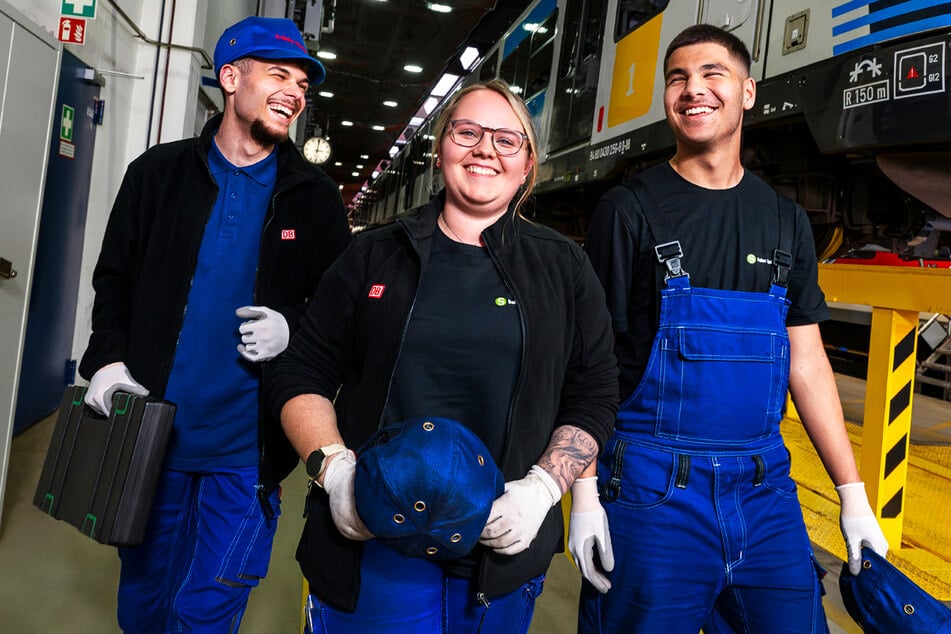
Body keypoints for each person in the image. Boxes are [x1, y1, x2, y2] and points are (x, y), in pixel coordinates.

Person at [268, 78, 619, 632]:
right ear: (440, 149)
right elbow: (300, 372)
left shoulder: (562, 270)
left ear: (527, 164)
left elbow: (593, 393)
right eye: (468, 132)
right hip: (373, 541)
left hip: (502, 551)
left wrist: (547, 488)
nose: (485, 149)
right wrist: (334, 472)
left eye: (506, 140)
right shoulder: (373, 255)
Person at [573, 24, 890, 632]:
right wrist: (583, 494)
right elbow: (590, 363)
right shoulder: (627, 211)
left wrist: (853, 494)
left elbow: (807, 359)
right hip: (651, 492)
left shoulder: (785, 220)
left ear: (747, 92)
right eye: (677, 78)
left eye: (711, 74)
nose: (693, 90)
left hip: (764, 491)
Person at [78, 16, 351, 631]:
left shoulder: (315, 198)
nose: (295, 92)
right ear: (231, 78)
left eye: (303, 83)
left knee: (208, 610)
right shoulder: (158, 174)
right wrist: (107, 360)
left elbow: (339, 315)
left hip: (247, 452)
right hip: (154, 438)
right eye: (278, 74)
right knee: (143, 602)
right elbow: (114, 279)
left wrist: (295, 327)